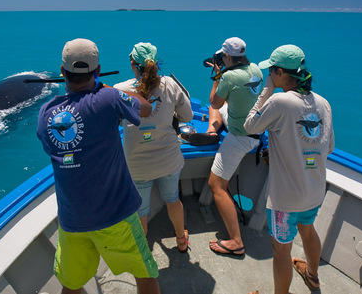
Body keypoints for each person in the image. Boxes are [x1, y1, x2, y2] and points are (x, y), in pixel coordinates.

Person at [36, 38, 161, 294]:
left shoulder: (46, 114)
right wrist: (105, 89)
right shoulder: (108, 98)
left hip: (72, 220)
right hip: (115, 216)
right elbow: (146, 109)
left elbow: (53, 148)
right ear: (98, 71)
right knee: (145, 276)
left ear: (63, 72)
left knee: (71, 285)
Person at [244, 45, 334, 294]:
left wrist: (266, 91)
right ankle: (313, 276)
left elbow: (251, 125)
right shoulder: (323, 103)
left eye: (272, 71)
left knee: (282, 250)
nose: (270, 75)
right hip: (314, 191)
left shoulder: (279, 101)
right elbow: (329, 147)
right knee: (308, 230)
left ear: (281, 72)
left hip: (285, 200)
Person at [113, 42, 193, 253]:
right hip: (169, 160)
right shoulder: (170, 85)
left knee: (141, 211)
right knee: (173, 200)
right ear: (157, 64)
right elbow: (188, 116)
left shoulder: (120, 91)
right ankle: (181, 241)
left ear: (132, 64)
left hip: (137, 166)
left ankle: (142, 253)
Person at [201, 37, 264, 256]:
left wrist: (218, 77)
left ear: (227, 56)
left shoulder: (228, 76)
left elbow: (214, 102)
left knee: (216, 185)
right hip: (255, 129)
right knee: (222, 109)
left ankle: (236, 241)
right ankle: (212, 129)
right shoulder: (256, 69)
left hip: (239, 136)